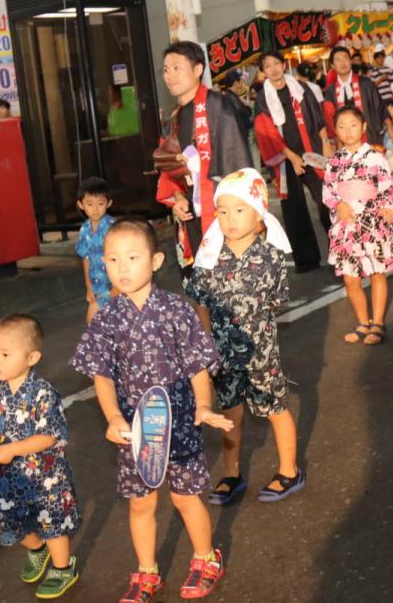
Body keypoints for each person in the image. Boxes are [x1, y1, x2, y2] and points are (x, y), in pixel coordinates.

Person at [69, 218, 233, 602]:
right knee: (141, 503)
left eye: (132, 257)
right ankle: (146, 571)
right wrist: (112, 416)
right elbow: (102, 375)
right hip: (135, 429)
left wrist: (205, 406)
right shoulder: (106, 316)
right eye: (111, 259)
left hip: (181, 424)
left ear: (156, 261)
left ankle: (206, 557)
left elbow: (196, 366)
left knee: (185, 498)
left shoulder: (177, 310)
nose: (121, 268)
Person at [187, 169, 305, 506]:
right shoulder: (210, 256)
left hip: (260, 353)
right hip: (222, 354)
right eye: (222, 211)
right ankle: (232, 474)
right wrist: (205, 341)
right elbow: (202, 302)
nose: (229, 219)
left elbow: (277, 300)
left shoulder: (270, 255)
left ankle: (289, 469)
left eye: (239, 210)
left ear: (259, 213)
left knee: (275, 407)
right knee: (230, 413)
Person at [0, 314, 81, 599]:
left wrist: (14, 449)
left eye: (5, 354)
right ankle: (37, 550)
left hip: (46, 479)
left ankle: (63, 567)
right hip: (8, 479)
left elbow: (50, 435)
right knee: (16, 525)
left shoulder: (42, 393)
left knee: (52, 524)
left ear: (32, 358)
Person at [155, 41, 252, 271]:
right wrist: (177, 198)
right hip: (191, 214)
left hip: (222, 212)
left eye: (177, 68)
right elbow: (170, 168)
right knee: (200, 281)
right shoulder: (175, 118)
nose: (169, 76)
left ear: (198, 69)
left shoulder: (218, 105)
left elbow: (237, 160)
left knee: (229, 282)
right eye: (166, 70)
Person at [323, 105, 393, 345]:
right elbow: (328, 191)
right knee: (350, 278)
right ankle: (363, 322)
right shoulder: (333, 162)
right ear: (335, 130)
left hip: (372, 222)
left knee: (376, 273)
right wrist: (338, 203)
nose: (347, 131)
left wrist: (388, 207)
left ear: (362, 127)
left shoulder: (376, 158)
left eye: (352, 125)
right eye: (341, 126)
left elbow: (387, 187)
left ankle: (377, 323)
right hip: (346, 224)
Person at [252, 51, 332, 273]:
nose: (274, 68)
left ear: (283, 65)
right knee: (294, 209)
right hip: (284, 160)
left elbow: (318, 118)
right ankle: (307, 260)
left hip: (311, 151)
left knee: (326, 199)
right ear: (263, 72)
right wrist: (291, 156)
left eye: (277, 63)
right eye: (268, 66)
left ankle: (340, 249)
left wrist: (325, 142)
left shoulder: (301, 89)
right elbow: (266, 133)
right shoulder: (262, 100)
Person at [323, 45, 389, 147]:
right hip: (345, 141)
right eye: (338, 60)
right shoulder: (330, 91)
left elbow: (380, 107)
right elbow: (331, 119)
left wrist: (391, 129)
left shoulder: (366, 83)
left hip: (370, 137)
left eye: (345, 58)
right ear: (332, 65)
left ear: (350, 61)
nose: (343, 63)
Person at [75, 177, 115, 323]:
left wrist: (118, 287)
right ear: (81, 205)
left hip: (115, 285)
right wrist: (88, 285)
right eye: (90, 204)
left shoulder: (112, 227)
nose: (95, 209)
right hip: (97, 286)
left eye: (100, 203)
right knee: (92, 323)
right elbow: (85, 257)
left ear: (109, 203)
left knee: (117, 323)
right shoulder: (85, 229)